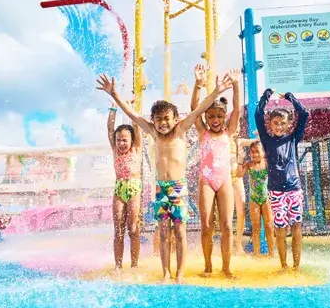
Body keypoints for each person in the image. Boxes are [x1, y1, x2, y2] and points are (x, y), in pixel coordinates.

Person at [97, 72, 233, 284]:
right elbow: (132, 115)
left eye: (166, 119)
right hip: (160, 189)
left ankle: (179, 273)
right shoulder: (152, 133)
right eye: (158, 119)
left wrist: (217, 91)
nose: (162, 123)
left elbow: (200, 107)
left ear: (175, 119)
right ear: (153, 121)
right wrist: (114, 93)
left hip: (178, 189)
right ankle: (165, 273)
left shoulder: (180, 130)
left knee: (180, 232)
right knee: (162, 233)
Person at [190, 65, 241, 278]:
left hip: (225, 182)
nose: (215, 120)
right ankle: (208, 265)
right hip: (207, 182)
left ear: (224, 116)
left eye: (219, 115)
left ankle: (226, 267)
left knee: (228, 226)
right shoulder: (203, 132)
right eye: (211, 116)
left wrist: (236, 86)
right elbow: (195, 110)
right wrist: (198, 85)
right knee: (206, 225)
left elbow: (237, 110)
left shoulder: (229, 132)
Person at [255, 88, 309, 271]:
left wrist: (290, 97)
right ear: (270, 124)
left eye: (282, 123)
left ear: (288, 125)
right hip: (276, 191)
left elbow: (304, 113)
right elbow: (257, 113)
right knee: (280, 228)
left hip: (294, 189)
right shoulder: (267, 139)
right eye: (275, 123)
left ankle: (296, 266)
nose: (279, 126)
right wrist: (266, 96)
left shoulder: (293, 138)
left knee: (297, 226)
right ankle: (284, 265)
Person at [107, 99, 142, 272]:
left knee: (133, 229)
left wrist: (133, 109)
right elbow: (109, 128)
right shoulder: (114, 150)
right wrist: (113, 109)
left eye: (125, 140)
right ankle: (118, 265)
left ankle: (134, 264)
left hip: (134, 188)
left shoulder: (136, 148)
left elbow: (137, 125)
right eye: (119, 140)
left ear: (131, 140)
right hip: (119, 189)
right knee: (118, 230)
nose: (121, 143)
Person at [235, 141, 275, 257]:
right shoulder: (248, 164)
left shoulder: (267, 164)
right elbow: (238, 174)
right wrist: (240, 161)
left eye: (257, 151)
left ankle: (271, 254)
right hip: (254, 200)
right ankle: (257, 254)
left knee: (269, 226)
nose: (255, 154)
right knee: (256, 228)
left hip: (266, 198)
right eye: (252, 152)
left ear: (263, 152)